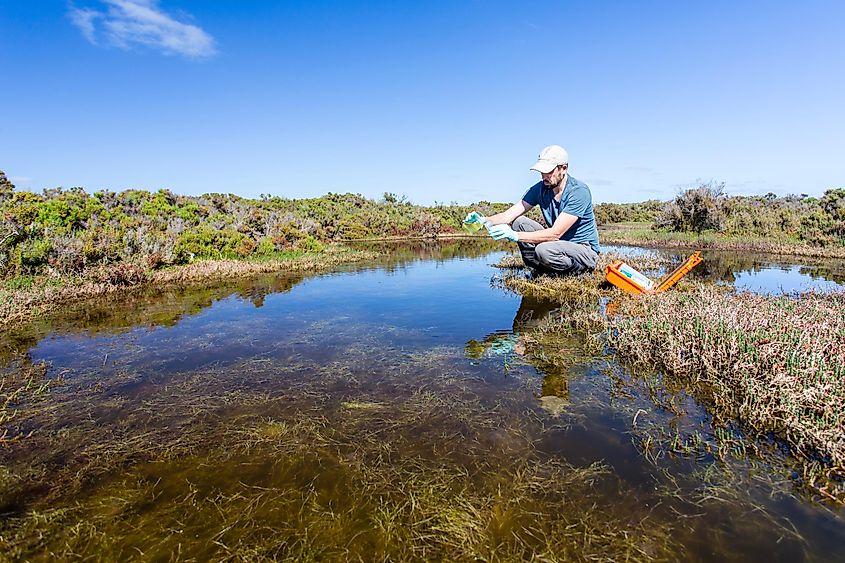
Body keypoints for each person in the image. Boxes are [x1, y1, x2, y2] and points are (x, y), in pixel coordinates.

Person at [465, 145, 600, 276]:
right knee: (519, 222)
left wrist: (515, 235)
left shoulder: (578, 191)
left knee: (544, 250)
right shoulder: (540, 189)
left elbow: (555, 233)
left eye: (549, 171)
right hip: (558, 246)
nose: (544, 176)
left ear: (563, 169)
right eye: (542, 172)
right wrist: (484, 220)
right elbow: (508, 215)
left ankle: (579, 271)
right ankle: (541, 267)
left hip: (584, 249)